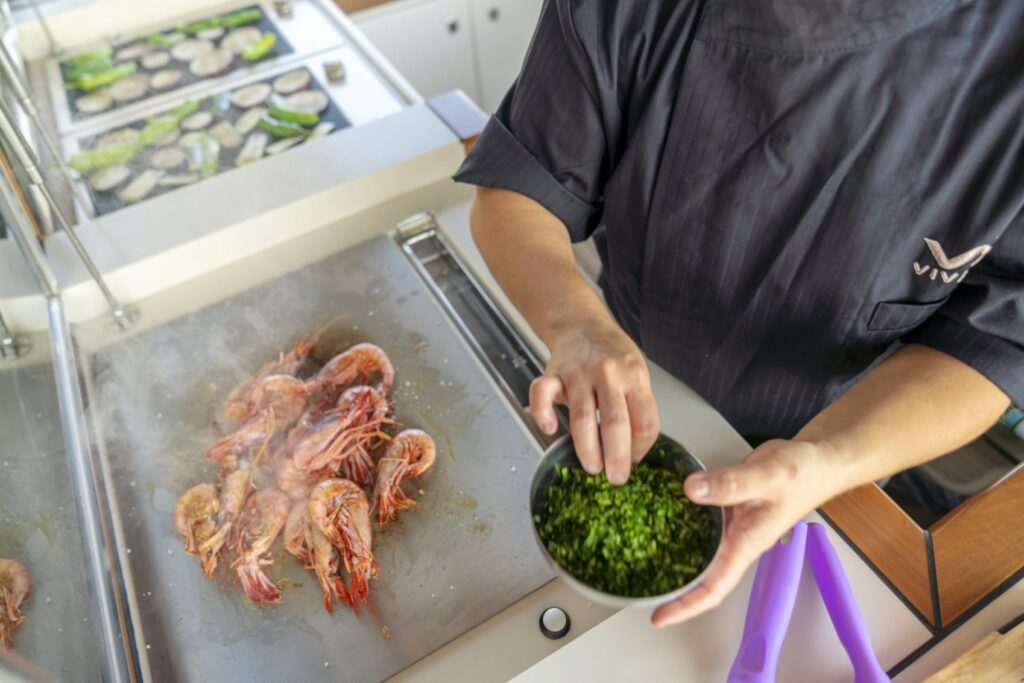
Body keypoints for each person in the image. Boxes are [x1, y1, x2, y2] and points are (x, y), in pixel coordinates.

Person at [454, 0, 1023, 627]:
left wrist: (828, 460)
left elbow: (995, 336)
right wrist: (575, 324)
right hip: (633, 386)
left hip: (853, 444)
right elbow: (517, 188)